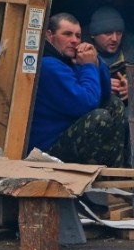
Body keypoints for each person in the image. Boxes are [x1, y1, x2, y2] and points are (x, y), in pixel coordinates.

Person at [29, 12, 127, 166]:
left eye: (78, 36)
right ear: (49, 35)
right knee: (99, 118)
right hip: (47, 149)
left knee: (114, 104)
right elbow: (87, 104)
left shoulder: (68, 61)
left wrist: (95, 60)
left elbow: (104, 94)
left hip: (68, 135)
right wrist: (88, 66)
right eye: (67, 34)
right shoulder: (49, 65)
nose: (74, 41)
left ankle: (112, 176)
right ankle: (95, 177)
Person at [87, 6, 134, 101]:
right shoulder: (80, 57)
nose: (114, 39)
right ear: (93, 35)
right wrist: (101, 86)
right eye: (108, 33)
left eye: (119, 33)